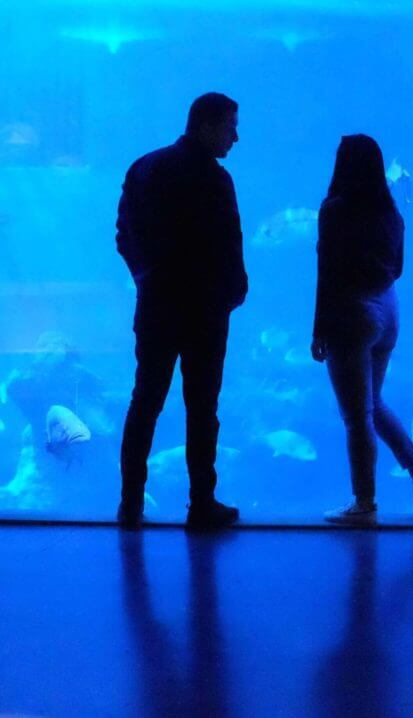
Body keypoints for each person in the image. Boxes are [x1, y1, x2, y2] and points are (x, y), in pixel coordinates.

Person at [116, 92, 247, 530]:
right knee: (202, 408)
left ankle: (130, 502)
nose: (235, 137)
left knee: (145, 402)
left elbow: (123, 235)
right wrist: (232, 291)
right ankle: (201, 503)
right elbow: (229, 243)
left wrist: (146, 278)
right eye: (230, 126)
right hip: (206, 313)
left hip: (156, 308)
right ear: (206, 125)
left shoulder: (144, 168)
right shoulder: (216, 180)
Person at [311, 134, 413, 521]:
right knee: (373, 402)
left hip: (352, 312)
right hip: (387, 309)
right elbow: (398, 268)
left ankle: (364, 503)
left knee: (356, 417)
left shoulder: (335, 210)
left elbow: (328, 273)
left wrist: (319, 328)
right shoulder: (391, 213)